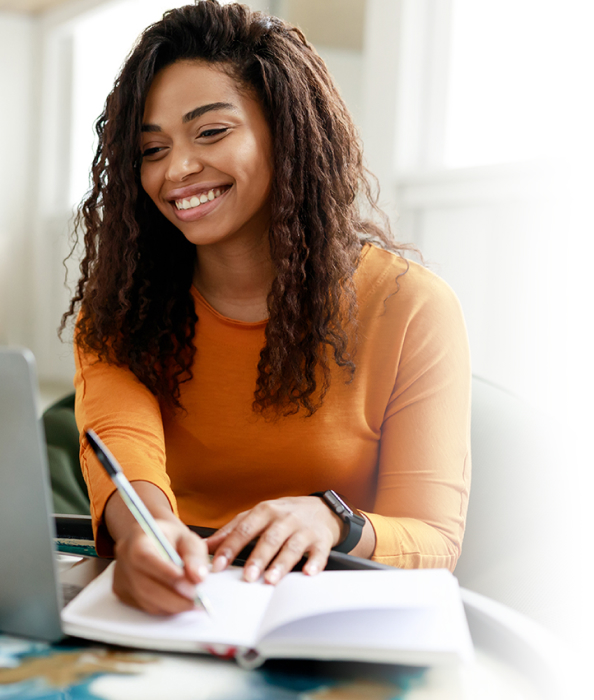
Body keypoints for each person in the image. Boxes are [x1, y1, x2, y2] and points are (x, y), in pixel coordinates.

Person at [61, 0, 470, 616]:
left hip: (332, 611)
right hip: (173, 606)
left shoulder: (411, 307)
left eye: (212, 131)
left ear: (288, 129)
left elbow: (434, 539)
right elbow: (125, 446)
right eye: (152, 149)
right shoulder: (121, 307)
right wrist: (145, 532)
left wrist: (335, 522)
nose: (178, 169)